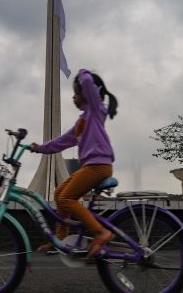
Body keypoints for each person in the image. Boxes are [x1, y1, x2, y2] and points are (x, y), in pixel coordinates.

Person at [31, 68, 118, 258]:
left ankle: (100, 232)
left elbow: (88, 83)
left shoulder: (95, 111)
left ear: (87, 95)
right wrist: (40, 148)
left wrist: (82, 74)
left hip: (99, 166)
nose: (73, 98)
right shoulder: (82, 121)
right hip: (90, 167)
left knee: (66, 199)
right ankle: (60, 241)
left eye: (76, 94)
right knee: (59, 193)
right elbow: (61, 142)